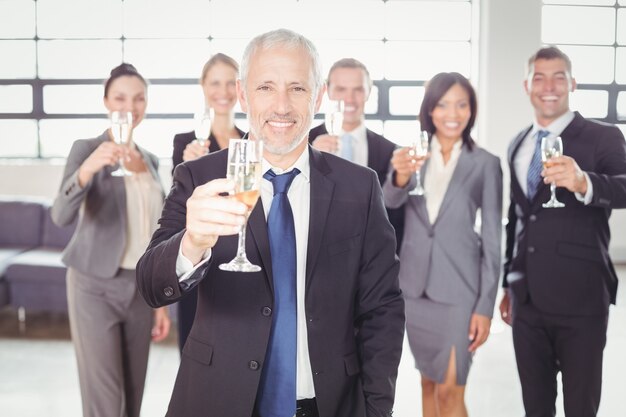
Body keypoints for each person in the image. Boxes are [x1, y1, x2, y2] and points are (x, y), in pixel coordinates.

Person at [136, 29, 404, 417]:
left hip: (327, 405)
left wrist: (376, 410)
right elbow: (149, 286)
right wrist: (192, 243)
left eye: (297, 88)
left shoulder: (359, 187)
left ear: (318, 96)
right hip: (217, 401)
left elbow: (383, 307)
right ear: (243, 94)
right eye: (265, 87)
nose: (281, 106)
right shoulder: (198, 177)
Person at [498, 46, 626, 417]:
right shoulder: (518, 143)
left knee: (580, 408)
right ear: (527, 85)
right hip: (527, 301)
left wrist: (584, 181)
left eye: (559, 77)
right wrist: (509, 281)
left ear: (573, 83)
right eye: (539, 77)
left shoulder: (603, 137)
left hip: (582, 299)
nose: (549, 86)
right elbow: (516, 217)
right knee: (535, 407)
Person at [51, 63, 171, 417]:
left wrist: (160, 302)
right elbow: (60, 215)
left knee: (133, 397)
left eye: (138, 99)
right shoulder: (85, 148)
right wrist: (87, 169)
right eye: (120, 97)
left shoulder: (149, 161)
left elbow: (157, 233)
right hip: (93, 286)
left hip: (139, 290)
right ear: (106, 101)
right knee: (106, 400)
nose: (129, 106)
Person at [384, 72, 502, 417]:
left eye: (462, 104)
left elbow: (493, 239)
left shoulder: (486, 164)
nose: (453, 113)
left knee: (451, 392)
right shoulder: (409, 157)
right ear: (430, 110)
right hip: (415, 290)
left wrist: (484, 307)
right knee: (428, 384)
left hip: (460, 292)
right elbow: (387, 202)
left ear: (471, 110)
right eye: (443, 104)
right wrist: (400, 176)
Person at [170, 52, 244, 353]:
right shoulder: (185, 143)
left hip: (243, 254)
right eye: (215, 83)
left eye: (230, 83)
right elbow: (175, 205)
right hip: (203, 253)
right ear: (203, 86)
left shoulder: (252, 142)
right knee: (196, 345)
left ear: (240, 88)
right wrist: (190, 169)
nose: (223, 92)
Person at [308, 58, 405, 251]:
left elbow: (392, 213)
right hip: (313, 251)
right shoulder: (305, 142)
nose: (349, 99)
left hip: (367, 253)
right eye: (341, 89)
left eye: (358, 90)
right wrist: (310, 159)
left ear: (369, 92)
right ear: (327, 91)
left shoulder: (389, 151)